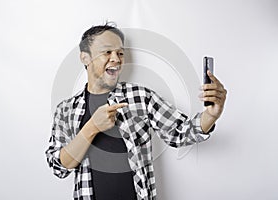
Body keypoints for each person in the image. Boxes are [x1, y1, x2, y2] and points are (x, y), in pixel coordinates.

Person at [45, 22, 227, 200]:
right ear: (85, 57)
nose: (116, 59)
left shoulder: (141, 97)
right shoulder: (66, 110)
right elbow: (59, 167)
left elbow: (180, 133)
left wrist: (211, 115)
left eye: (120, 53)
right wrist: (92, 126)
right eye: (107, 52)